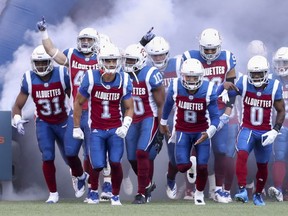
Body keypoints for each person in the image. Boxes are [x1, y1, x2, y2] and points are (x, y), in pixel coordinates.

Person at [37, 18, 103, 201]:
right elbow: (51, 51)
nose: (85, 43)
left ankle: (93, 189)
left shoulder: (102, 57)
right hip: (76, 112)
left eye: (89, 40)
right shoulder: (73, 55)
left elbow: (122, 61)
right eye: (83, 39)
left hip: (95, 112)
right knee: (70, 152)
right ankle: (81, 176)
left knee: (90, 153)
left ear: (96, 42)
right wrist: (44, 32)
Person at [218, 55, 285, 206]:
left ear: (266, 73)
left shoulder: (274, 86)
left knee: (263, 164)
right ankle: (242, 190)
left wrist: (275, 130)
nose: (255, 77)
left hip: (265, 131)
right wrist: (224, 92)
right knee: (241, 154)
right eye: (253, 74)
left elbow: (281, 111)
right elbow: (230, 95)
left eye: (259, 74)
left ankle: (258, 194)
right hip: (247, 128)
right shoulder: (243, 82)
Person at [73, 43, 134, 205]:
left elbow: (129, 107)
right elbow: (78, 102)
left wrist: (125, 125)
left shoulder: (124, 79)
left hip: (115, 129)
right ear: (100, 61)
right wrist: (76, 126)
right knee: (97, 164)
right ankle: (93, 192)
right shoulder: (91, 77)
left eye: (114, 60)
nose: (112, 64)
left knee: (115, 162)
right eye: (108, 60)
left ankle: (115, 195)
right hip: (96, 130)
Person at [182, 28, 237, 203]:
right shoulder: (189, 57)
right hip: (196, 110)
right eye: (207, 49)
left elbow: (232, 89)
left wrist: (227, 112)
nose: (210, 53)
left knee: (220, 150)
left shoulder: (228, 58)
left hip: (218, 110)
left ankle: (218, 188)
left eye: (214, 49)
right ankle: (192, 189)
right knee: (193, 150)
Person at [12, 45, 71, 203]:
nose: (40, 66)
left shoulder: (61, 73)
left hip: (63, 120)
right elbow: (17, 105)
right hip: (44, 122)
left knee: (70, 156)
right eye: (37, 63)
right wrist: (17, 118)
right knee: (47, 156)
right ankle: (53, 193)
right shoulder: (29, 79)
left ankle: (79, 175)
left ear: (51, 62)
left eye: (44, 62)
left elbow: (75, 98)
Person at [159, 58, 220, 205]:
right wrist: (163, 121)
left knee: (203, 165)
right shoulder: (175, 86)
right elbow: (167, 105)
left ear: (201, 77)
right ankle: (171, 177)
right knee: (182, 166)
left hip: (201, 130)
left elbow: (215, 117)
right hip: (182, 130)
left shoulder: (208, 89)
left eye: (194, 77)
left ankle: (199, 193)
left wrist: (210, 132)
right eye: (188, 77)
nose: (191, 80)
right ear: (182, 76)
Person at [145, 36, 195, 200]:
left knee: (176, 159)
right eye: (155, 55)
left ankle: (170, 178)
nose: (159, 58)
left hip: (175, 118)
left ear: (168, 53)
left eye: (161, 55)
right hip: (152, 118)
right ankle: (146, 190)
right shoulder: (144, 67)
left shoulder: (180, 63)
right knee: (148, 155)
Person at [122, 43, 165, 204]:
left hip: (149, 116)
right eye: (127, 60)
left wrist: (161, 127)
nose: (128, 64)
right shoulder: (122, 74)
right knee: (132, 157)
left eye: (132, 60)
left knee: (142, 152)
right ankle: (147, 184)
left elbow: (161, 103)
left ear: (141, 60)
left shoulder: (150, 74)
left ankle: (141, 193)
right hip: (131, 118)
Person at [268, 47, 288, 202]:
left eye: (285, 62)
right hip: (279, 125)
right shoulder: (270, 80)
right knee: (279, 156)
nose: (281, 65)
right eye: (279, 62)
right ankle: (278, 189)